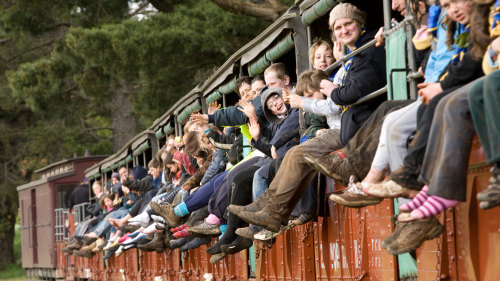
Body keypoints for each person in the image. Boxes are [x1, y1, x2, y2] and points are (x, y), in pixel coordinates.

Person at [227, 2, 387, 233]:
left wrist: (310, 96)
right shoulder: (350, 59)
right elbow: (340, 97)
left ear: (360, 23)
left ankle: (273, 212)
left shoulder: (365, 50)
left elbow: (343, 97)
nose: (343, 31)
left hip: (356, 126)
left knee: (297, 154)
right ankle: (269, 210)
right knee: (294, 154)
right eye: (338, 27)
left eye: (348, 24)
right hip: (345, 125)